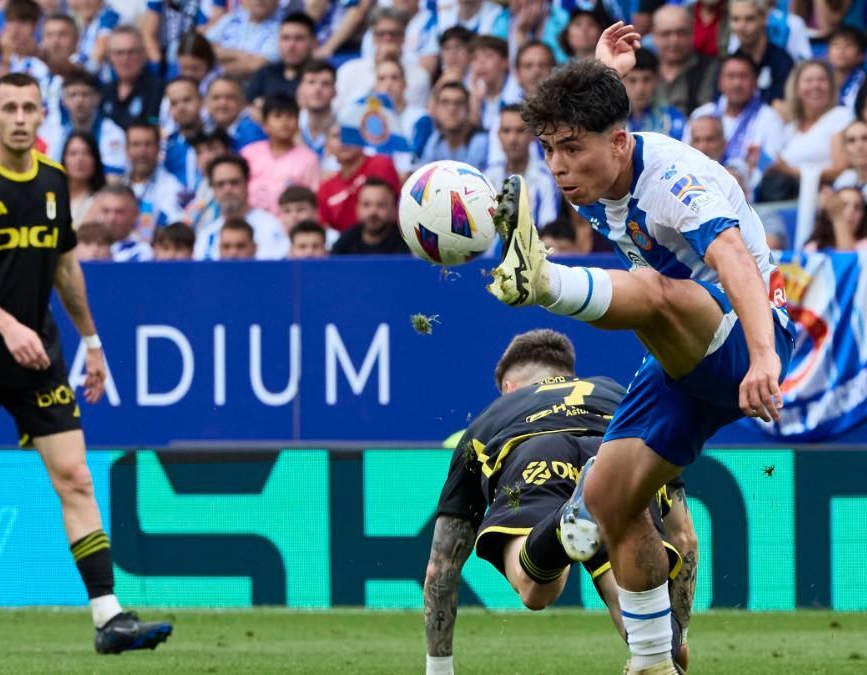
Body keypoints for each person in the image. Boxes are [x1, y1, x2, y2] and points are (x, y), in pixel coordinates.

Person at [487, 27, 795, 674]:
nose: (558, 166)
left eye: (571, 149)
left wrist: (765, 355)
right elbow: (601, 118)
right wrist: (603, 68)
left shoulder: (673, 183)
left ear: (618, 143)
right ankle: (655, 661)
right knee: (609, 502)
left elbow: (735, 257)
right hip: (676, 362)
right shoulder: (605, 151)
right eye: (548, 151)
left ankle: (544, 280)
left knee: (657, 290)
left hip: (740, 335)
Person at [0, 72, 172, 652]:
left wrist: (92, 343)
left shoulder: (55, 182)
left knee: (77, 477)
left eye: (28, 107)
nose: (18, 117)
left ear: (41, 116)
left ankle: (110, 619)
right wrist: (5, 326)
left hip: (38, 354)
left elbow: (65, 268)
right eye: (8, 106)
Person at [423, 329, 697, 675]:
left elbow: (441, 566)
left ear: (509, 387)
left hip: (534, 450)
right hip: (615, 449)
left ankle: (563, 521)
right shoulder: (616, 392)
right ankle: (658, 654)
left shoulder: (491, 417)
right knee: (630, 595)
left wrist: (439, 669)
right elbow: (685, 537)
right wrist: (680, 637)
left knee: (536, 591)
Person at [759, 60, 853, 199]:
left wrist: (792, 172)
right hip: (787, 196)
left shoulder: (840, 116)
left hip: (822, 197)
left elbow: (840, 169)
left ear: (831, 86)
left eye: (822, 80)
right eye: (808, 80)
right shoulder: (791, 128)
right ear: (796, 88)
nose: (815, 85)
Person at [687, 54, 784, 177]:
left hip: (750, 192)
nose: (737, 83)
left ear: (755, 81)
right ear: (720, 82)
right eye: (731, 76)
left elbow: (775, 168)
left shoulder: (770, 118)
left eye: (743, 77)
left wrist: (760, 161)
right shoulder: (702, 113)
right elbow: (685, 154)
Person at [240, 94, 322, 217]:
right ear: (265, 124)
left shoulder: (308, 158)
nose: (284, 122)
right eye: (277, 116)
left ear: (298, 122)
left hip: (288, 225)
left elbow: (313, 199)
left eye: (290, 116)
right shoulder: (249, 153)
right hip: (248, 220)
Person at [195, 154, 288, 260]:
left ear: (247, 184)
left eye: (234, 182)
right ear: (213, 189)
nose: (228, 189)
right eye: (220, 184)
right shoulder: (206, 235)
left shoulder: (271, 226)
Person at [39, 69, 127, 178]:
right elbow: (51, 173)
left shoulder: (113, 134)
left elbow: (114, 177)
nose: (79, 101)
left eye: (85, 94)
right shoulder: (56, 133)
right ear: (64, 100)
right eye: (73, 95)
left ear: (97, 98)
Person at [485, 104, 559, 228]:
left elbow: (548, 231)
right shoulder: (488, 178)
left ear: (532, 136)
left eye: (519, 131)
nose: (512, 139)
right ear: (498, 136)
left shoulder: (546, 178)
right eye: (506, 131)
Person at [317, 126, 402, 231]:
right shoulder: (325, 188)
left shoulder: (381, 164)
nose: (344, 141)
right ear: (327, 145)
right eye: (336, 136)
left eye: (350, 133)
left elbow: (397, 211)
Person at [652, 6, 719, 116]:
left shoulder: (711, 67)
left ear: (692, 32)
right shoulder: (643, 66)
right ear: (654, 35)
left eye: (681, 32)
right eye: (666, 34)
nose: (674, 41)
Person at [124, 123, 186, 239]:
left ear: (158, 149)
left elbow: (177, 229)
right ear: (127, 150)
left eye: (148, 144)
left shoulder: (173, 187)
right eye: (136, 145)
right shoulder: (119, 186)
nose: (142, 151)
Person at [727, 0, 795, 104]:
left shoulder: (782, 61)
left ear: (764, 18)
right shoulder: (728, 64)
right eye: (736, 19)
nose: (742, 26)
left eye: (749, 19)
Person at [245, 13, 316, 106]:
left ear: (313, 42)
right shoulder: (265, 73)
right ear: (278, 41)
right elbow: (246, 106)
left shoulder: (320, 76)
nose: (291, 46)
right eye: (286, 38)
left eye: (299, 39)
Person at [100, 27, 163, 130]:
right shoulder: (104, 92)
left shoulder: (158, 89)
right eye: (119, 53)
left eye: (132, 52)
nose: (125, 59)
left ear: (143, 54)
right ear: (110, 57)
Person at [419, 82, 490, 170]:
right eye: (445, 102)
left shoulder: (480, 141)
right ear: (436, 109)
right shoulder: (435, 141)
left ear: (468, 109)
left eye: (458, 103)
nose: (452, 108)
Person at [205, 0, 282, 78]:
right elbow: (204, 48)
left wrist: (217, 71)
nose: (260, 0)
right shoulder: (232, 18)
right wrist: (239, 54)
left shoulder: (282, 28)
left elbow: (256, 65)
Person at [331, 180, 410, 255]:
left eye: (381, 205)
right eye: (366, 204)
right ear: (357, 208)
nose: (373, 211)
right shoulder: (343, 245)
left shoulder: (408, 245)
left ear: (394, 209)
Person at [625, 49, 686, 140]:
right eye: (632, 80)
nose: (640, 88)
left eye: (646, 79)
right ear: (623, 81)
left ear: (656, 79)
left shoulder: (672, 118)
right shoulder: (615, 121)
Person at [162, 78, 206, 194]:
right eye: (174, 103)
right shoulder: (165, 146)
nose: (180, 107)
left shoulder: (219, 139)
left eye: (187, 100)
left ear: (201, 101)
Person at [204, 77, 268, 151]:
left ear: (242, 101)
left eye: (230, 97)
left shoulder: (253, 132)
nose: (222, 104)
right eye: (216, 98)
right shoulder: (204, 129)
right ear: (206, 102)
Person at [94, 184, 153, 262]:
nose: (111, 218)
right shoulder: (84, 248)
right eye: (106, 211)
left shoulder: (142, 252)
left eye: (119, 212)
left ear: (135, 214)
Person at [62, 132, 107, 226]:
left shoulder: (104, 200)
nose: (80, 159)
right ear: (64, 159)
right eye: (73, 154)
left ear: (95, 159)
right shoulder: (52, 196)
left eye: (87, 153)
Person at [805, 187, 867, 251]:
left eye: (857, 207)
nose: (850, 211)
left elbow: (848, 259)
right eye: (843, 205)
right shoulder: (813, 248)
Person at [297, 60, 338, 158]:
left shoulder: (344, 127)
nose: (317, 89)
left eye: (325, 84)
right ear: (300, 89)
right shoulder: (290, 125)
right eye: (311, 82)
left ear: (335, 91)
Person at [827, 27, 867, 110]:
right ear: (827, 54)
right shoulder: (819, 81)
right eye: (836, 44)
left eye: (848, 45)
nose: (841, 50)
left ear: (862, 55)